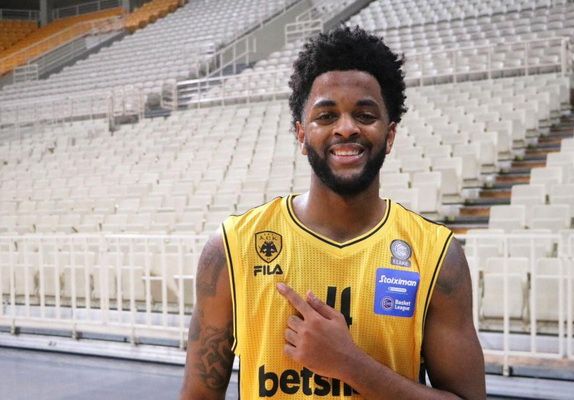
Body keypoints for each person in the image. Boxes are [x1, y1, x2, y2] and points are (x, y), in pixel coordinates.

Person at [180, 26, 486, 399]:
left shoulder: (437, 255)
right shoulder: (232, 248)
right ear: (301, 134)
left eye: (364, 115)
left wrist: (350, 364)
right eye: (326, 116)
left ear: (389, 135)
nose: (346, 128)